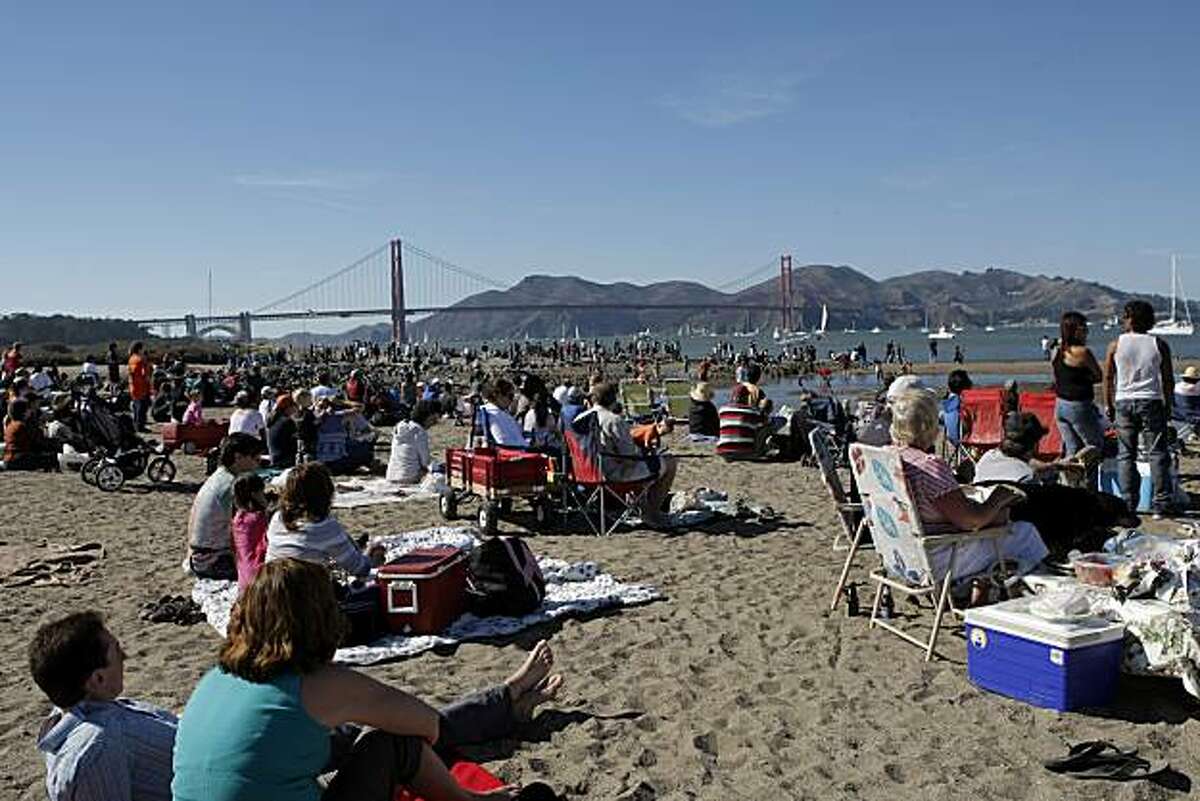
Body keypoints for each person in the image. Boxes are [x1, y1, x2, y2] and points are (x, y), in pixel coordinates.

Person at [171, 559, 562, 801]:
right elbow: (428, 725)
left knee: (345, 735)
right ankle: (475, 791)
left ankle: (509, 701)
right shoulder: (323, 683)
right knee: (390, 740)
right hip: (383, 732)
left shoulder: (214, 680)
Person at [887, 389, 1048, 584]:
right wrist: (999, 497)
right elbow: (972, 521)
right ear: (929, 425)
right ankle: (1024, 585)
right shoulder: (928, 466)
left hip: (901, 554)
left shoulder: (888, 458)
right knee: (1024, 532)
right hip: (940, 557)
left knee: (1000, 520)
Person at [31, 611, 178, 801]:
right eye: (118, 652)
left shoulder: (77, 712)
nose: (124, 657)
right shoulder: (97, 750)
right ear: (98, 679)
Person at [1103, 299, 1176, 516]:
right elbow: (1168, 378)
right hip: (1151, 400)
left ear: (1131, 318)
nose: (1123, 321)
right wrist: (1169, 403)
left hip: (1124, 400)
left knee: (1126, 454)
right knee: (1157, 453)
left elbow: (1108, 377)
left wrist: (1108, 404)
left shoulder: (1115, 345)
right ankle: (1161, 503)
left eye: (1125, 317)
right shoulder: (1159, 344)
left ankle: (1128, 503)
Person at [576, 382, 677, 527]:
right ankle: (652, 512)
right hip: (613, 475)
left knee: (647, 463)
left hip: (585, 474)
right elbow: (629, 456)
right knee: (669, 462)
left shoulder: (579, 419)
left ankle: (641, 505)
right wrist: (647, 452)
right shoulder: (613, 420)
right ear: (614, 399)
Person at [265, 462, 385, 577]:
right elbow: (358, 569)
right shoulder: (324, 527)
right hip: (306, 593)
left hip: (272, 587)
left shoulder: (278, 519)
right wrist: (373, 556)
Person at [186, 433, 266, 579]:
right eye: (255, 458)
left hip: (198, 555)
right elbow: (242, 530)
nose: (258, 464)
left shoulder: (219, 476)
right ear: (238, 457)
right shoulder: (230, 486)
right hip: (213, 560)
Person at [1052, 311, 1105, 487]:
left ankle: (1070, 485)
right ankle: (1090, 487)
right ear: (1075, 331)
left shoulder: (1057, 351)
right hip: (1078, 404)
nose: (1087, 332)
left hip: (1060, 404)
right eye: (1084, 328)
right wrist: (1086, 379)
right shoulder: (1082, 352)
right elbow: (1098, 376)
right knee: (1094, 446)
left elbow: (1058, 376)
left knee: (1072, 446)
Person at [232, 473, 271, 592]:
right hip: (258, 578)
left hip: (243, 577)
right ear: (254, 494)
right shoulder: (258, 518)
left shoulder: (238, 518)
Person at [386, 400, 438, 484]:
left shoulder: (400, 426)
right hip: (409, 476)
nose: (433, 423)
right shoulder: (419, 432)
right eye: (432, 419)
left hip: (391, 474)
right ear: (426, 417)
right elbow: (425, 462)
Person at [3, 398, 58, 471]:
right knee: (52, 458)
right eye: (28, 409)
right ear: (23, 412)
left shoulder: (11, 424)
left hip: (10, 459)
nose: (30, 411)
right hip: (19, 459)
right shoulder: (21, 426)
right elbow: (37, 442)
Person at [476, 379, 527, 447]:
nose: (512, 401)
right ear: (498, 395)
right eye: (510, 396)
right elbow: (503, 441)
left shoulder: (500, 413)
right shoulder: (492, 414)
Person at [267, 393, 301, 469]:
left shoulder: (272, 421)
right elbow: (295, 442)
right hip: (286, 461)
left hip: (274, 458)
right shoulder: (288, 422)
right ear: (288, 407)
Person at [127, 342, 152, 432]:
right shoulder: (140, 360)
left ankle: (137, 425)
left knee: (137, 407)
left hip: (133, 386)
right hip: (141, 387)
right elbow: (145, 374)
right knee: (142, 408)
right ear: (139, 349)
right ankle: (140, 426)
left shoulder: (131, 359)